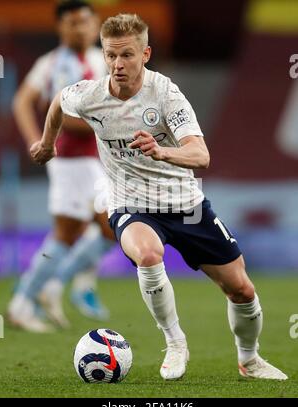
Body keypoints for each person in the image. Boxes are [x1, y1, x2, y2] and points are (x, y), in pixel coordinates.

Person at [29, 13, 288, 380]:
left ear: (145, 54)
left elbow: (201, 155)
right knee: (149, 254)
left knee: (242, 290)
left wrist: (163, 151)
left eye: (127, 55)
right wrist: (46, 143)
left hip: (185, 204)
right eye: (110, 55)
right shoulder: (90, 95)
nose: (118, 64)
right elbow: (58, 101)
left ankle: (249, 360)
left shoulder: (166, 94)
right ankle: (175, 342)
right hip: (130, 203)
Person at [8, 0, 115, 332]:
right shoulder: (56, 64)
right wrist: (36, 141)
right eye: (71, 23)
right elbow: (57, 114)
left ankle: (43, 291)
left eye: (84, 21)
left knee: (101, 230)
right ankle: (25, 301)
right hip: (70, 161)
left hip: (93, 160)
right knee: (89, 231)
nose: (78, 28)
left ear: (95, 23)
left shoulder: (101, 59)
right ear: (60, 27)